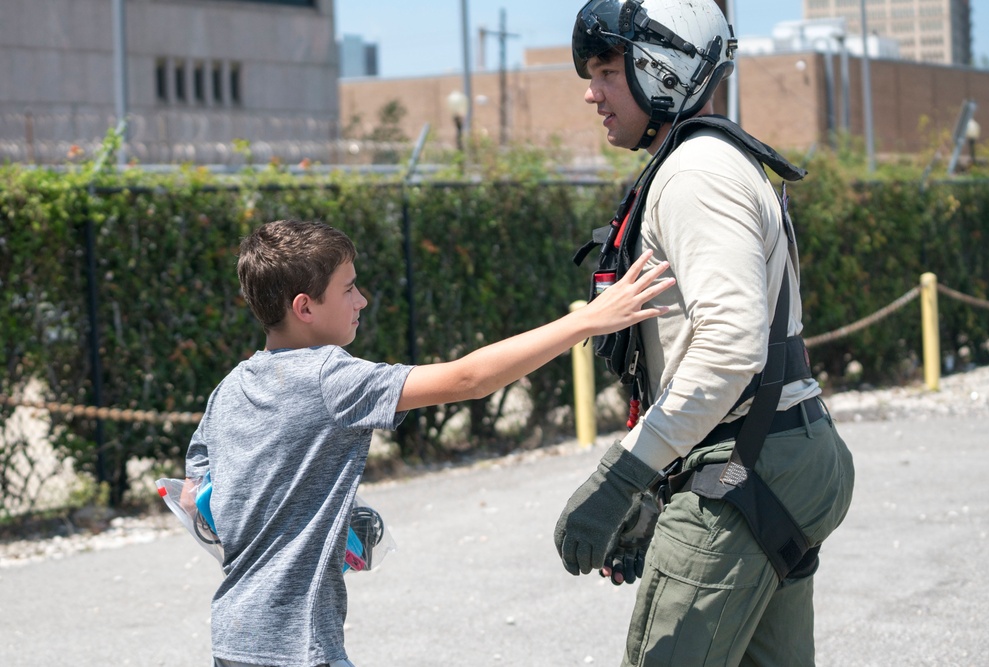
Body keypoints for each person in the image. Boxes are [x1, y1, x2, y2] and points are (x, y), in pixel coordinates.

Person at [183, 218, 675, 667]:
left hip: (234, 635)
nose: (362, 300)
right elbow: (467, 379)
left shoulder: (232, 387)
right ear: (304, 307)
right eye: (349, 289)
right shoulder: (329, 378)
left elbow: (195, 496)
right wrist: (586, 321)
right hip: (298, 645)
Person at [553, 1, 855, 666]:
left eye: (606, 70)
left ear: (664, 70)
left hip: (743, 460)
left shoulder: (695, 174)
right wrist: (664, 480)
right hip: (772, 452)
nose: (590, 91)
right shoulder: (711, 161)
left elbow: (728, 346)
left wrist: (622, 476)